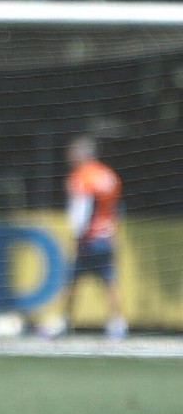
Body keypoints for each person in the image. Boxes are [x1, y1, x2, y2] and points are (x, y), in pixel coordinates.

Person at [49, 135, 127, 339]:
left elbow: (81, 211)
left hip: (88, 238)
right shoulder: (109, 176)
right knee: (109, 282)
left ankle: (63, 320)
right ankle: (117, 323)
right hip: (107, 236)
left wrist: (77, 237)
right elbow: (116, 208)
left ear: (81, 154)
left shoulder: (81, 177)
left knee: (72, 280)